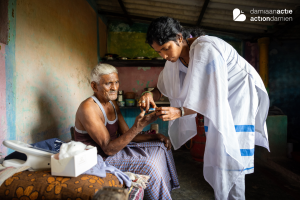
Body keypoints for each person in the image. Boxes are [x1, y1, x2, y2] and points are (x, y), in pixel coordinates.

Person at [139, 17, 269, 200]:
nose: (164, 56)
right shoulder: (174, 62)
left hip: (238, 95)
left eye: (166, 48)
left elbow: (214, 95)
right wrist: (150, 94)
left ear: (178, 37)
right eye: (159, 52)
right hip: (217, 101)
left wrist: (181, 111)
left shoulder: (206, 48)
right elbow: (162, 87)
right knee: (217, 149)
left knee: (231, 150)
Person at [74, 63, 179, 200]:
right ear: (94, 86)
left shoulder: (112, 103)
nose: (114, 88)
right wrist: (138, 127)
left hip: (113, 149)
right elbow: (108, 149)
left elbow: (127, 134)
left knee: (161, 147)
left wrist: (154, 134)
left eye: (116, 82)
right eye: (108, 84)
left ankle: (165, 192)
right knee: (150, 163)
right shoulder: (88, 108)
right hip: (97, 158)